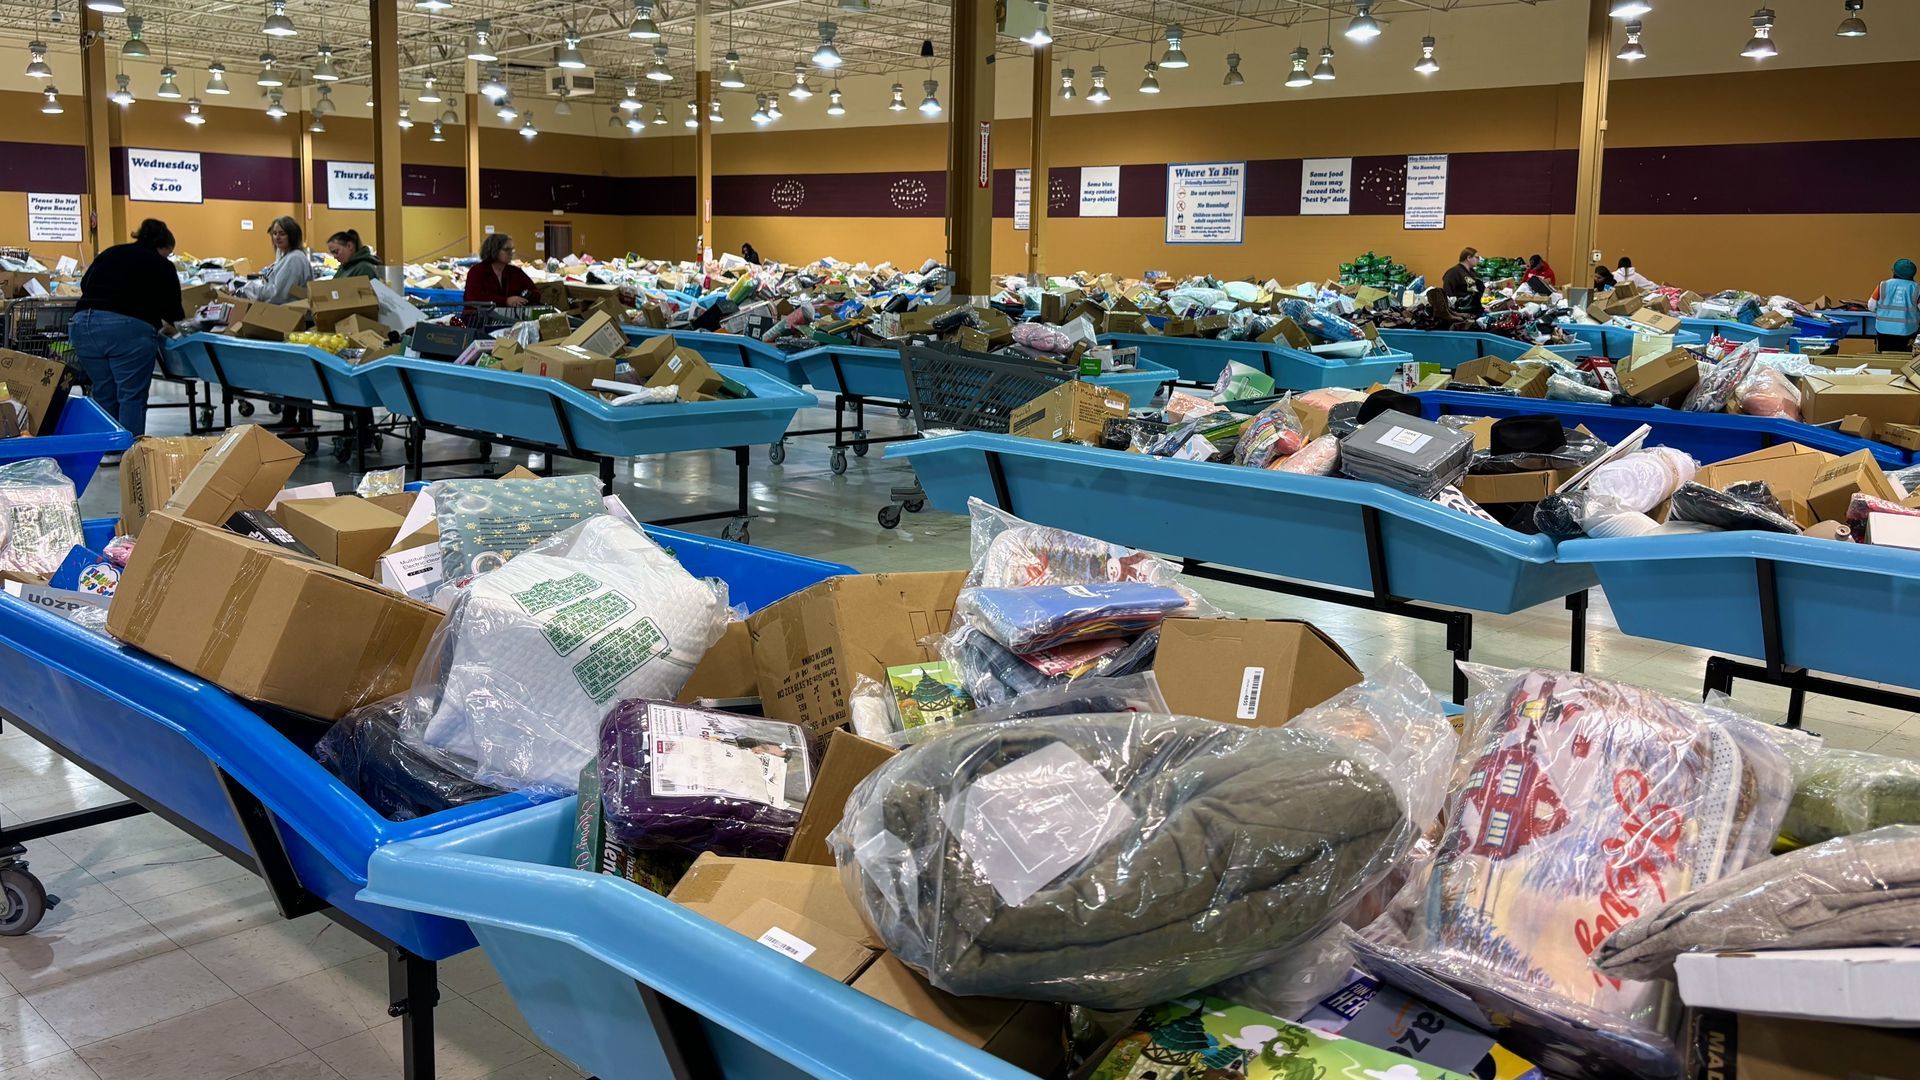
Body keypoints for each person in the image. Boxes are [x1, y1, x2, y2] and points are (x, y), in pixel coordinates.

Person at [72, 218, 183, 439]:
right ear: (163, 247)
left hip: (82, 325)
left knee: (103, 391)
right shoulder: (161, 265)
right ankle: (129, 452)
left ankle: (107, 447)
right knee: (131, 395)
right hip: (127, 330)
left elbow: (85, 285)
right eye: (168, 253)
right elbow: (174, 312)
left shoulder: (111, 253)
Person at [237, 216, 314, 304]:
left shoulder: (294, 259)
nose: (277, 237)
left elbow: (279, 294)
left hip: (286, 309)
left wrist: (253, 289)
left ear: (292, 236)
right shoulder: (286, 256)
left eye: (282, 234)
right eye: (274, 233)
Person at [464, 233, 536, 309]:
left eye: (512, 249)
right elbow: (473, 297)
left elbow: (534, 291)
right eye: (506, 249)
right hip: (479, 315)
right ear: (493, 250)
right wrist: (506, 301)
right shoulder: (477, 271)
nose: (511, 253)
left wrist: (523, 298)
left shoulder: (515, 272)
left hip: (509, 314)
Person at [1869, 259, 1918, 353]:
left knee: (1885, 356)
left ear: (1894, 271)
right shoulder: (1916, 288)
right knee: (1904, 357)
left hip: (1883, 329)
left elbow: (1871, 306)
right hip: (1907, 330)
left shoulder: (1883, 285)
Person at [1442, 247, 1485, 317]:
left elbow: (1477, 291)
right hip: (1462, 310)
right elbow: (1448, 293)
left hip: (1476, 308)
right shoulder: (1453, 273)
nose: (1478, 260)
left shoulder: (1473, 273)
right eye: (1477, 257)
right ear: (1468, 258)